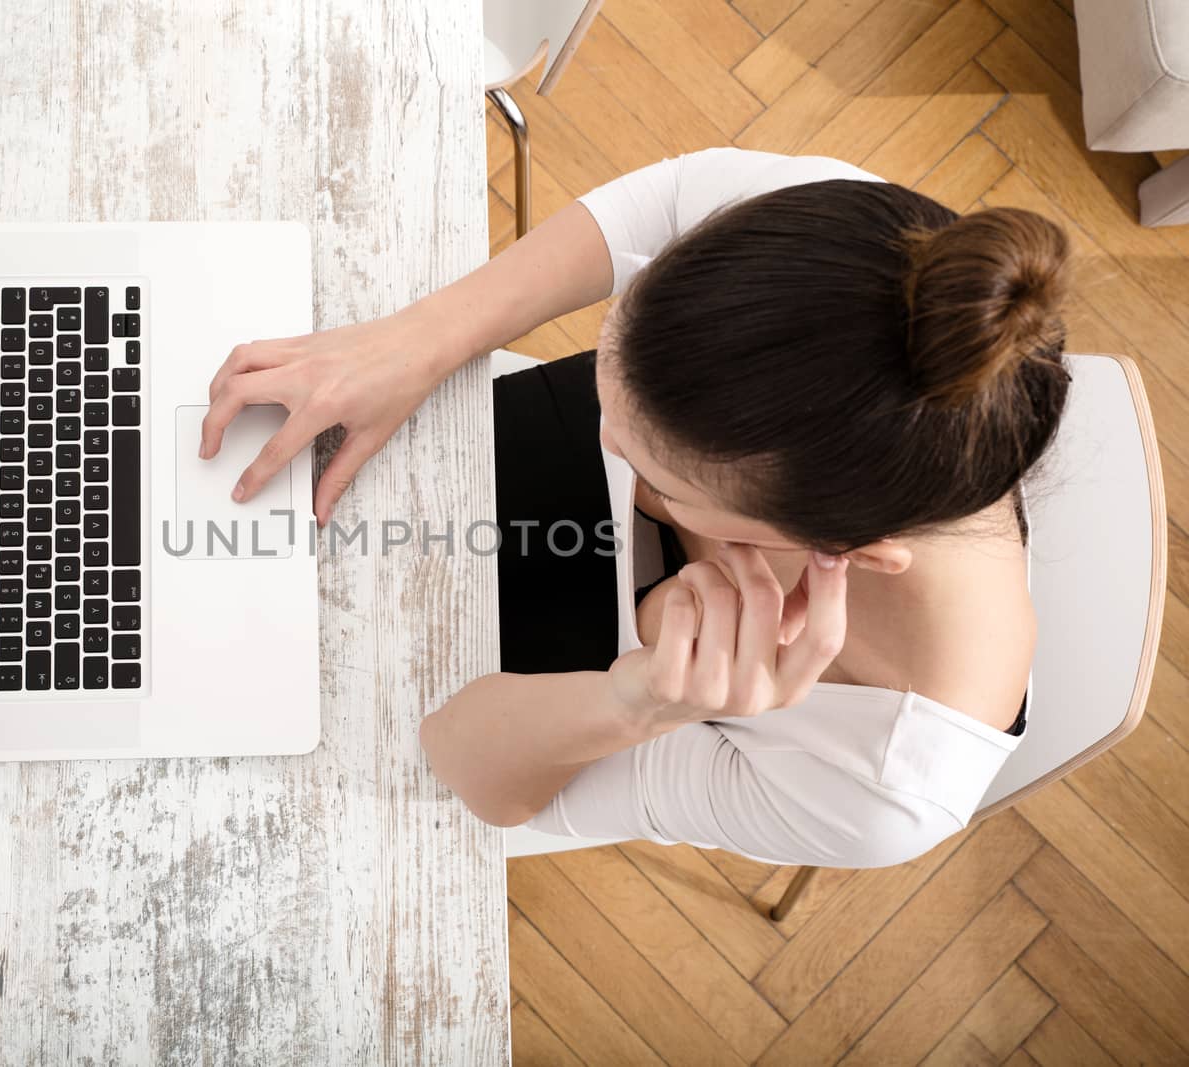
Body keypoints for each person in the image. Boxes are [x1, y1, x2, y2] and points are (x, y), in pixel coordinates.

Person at [198, 147, 1067, 868]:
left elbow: (461, 766)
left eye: (658, 471)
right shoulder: (854, 265)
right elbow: (672, 198)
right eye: (612, 368)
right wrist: (423, 337)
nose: (607, 432)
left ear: (848, 550)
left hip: (519, 717)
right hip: (453, 475)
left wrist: (639, 703)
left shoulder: (878, 785)